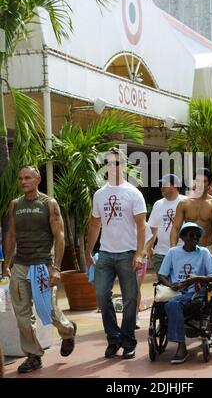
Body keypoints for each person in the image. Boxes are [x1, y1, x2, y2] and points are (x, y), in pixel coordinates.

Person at [2, 165, 76, 374]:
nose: (23, 181)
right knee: (22, 316)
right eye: (20, 178)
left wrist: (56, 267)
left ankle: (68, 331)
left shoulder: (48, 203)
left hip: (43, 266)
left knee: (50, 312)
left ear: (38, 179)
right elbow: (11, 235)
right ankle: (34, 355)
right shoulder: (15, 204)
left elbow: (59, 236)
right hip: (20, 266)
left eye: (27, 178)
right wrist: (6, 264)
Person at [85, 148, 147, 360]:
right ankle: (113, 338)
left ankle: (128, 341)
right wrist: (88, 252)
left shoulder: (133, 193)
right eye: (109, 163)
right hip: (105, 254)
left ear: (124, 165)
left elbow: (142, 226)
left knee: (130, 299)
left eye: (117, 163)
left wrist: (139, 253)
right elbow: (94, 224)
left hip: (128, 254)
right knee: (102, 296)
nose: (113, 167)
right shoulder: (99, 194)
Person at [158, 222, 212, 364]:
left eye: (197, 234)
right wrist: (170, 285)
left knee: (173, 305)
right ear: (183, 237)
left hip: (197, 293)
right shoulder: (173, 252)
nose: (195, 237)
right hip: (177, 293)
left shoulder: (204, 253)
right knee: (172, 303)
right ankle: (181, 345)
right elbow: (162, 275)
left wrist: (196, 279)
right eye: (192, 234)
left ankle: (181, 347)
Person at [170, 168, 212, 294]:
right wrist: (173, 249)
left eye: (204, 181)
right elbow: (175, 227)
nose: (200, 184)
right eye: (198, 181)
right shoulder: (184, 203)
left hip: (208, 251)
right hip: (188, 252)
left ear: (210, 183)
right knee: (184, 288)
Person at [146, 174, 186, 276]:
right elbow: (153, 228)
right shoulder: (158, 204)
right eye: (161, 185)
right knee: (164, 287)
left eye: (165, 184)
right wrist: (149, 247)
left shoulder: (186, 202)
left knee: (182, 284)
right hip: (161, 253)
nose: (162, 187)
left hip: (183, 251)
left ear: (175, 186)